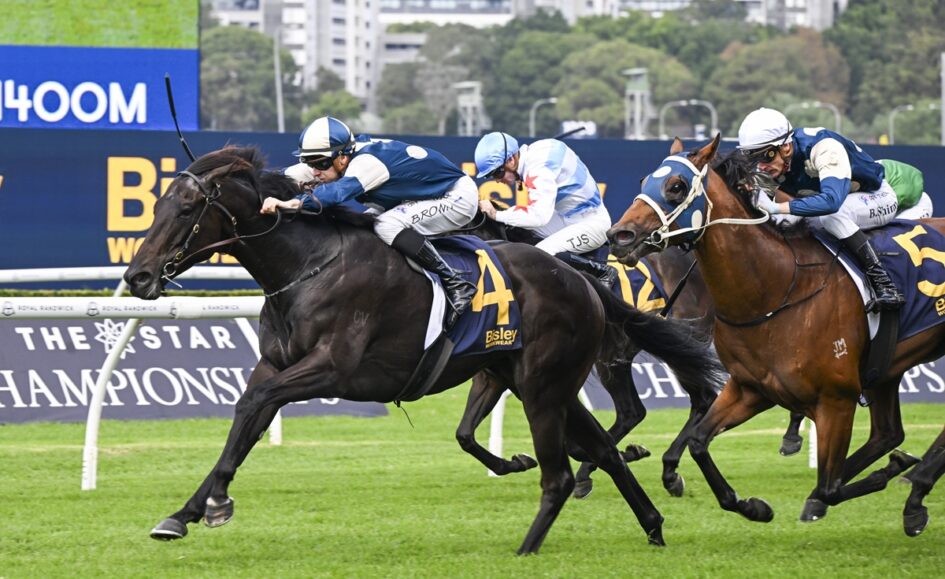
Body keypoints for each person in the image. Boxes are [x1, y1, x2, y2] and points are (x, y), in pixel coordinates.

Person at [261, 116, 478, 328]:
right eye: (309, 162)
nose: (315, 171)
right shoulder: (335, 158)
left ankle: (454, 281)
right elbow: (282, 176)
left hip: (455, 197)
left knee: (386, 224)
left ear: (342, 158)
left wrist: (291, 203)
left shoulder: (368, 163)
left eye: (320, 163)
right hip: (414, 197)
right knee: (367, 225)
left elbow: (335, 194)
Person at [737, 107, 905, 311]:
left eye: (765, 156)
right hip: (840, 202)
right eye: (751, 159)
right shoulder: (771, 164)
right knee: (788, 222)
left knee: (831, 216)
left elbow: (831, 201)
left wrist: (777, 207)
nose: (760, 167)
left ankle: (884, 283)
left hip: (877, 197)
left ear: (786, 147)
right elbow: (762, 209)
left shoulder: (823, 147)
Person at [473, 131, 617, 286]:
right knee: (516, 231)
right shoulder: (535, 154)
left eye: (498, 173)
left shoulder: (538, 168)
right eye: (492, 176)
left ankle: (602, 271)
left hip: (593, 225)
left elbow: (539, 216)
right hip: (569, 217)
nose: (498, 181)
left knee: (539, 254)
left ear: (511, 160)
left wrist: (496, 214)